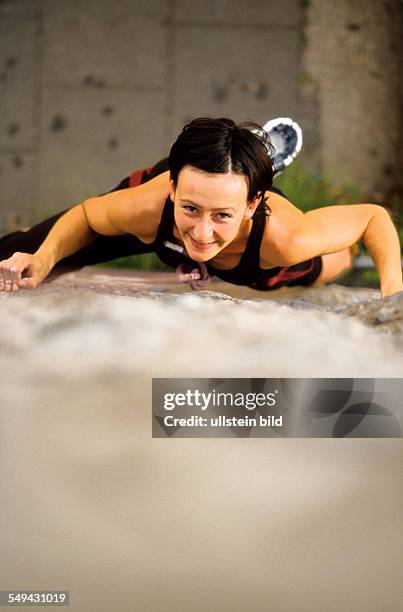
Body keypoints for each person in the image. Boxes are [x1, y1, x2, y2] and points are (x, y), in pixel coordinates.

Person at [0, 117, 402, 297]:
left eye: (222, 215)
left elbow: (372, 219)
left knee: (334, 263)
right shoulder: (149, 205)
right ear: (173, 188)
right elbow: (87, 215)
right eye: (191, 208)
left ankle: (257, 164)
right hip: (157, 224)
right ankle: (245, 165)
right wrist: (45, 256)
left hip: (252, 250)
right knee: (19, 253)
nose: (203, 233)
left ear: (252, 205)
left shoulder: (285, 237)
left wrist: (394, 297)